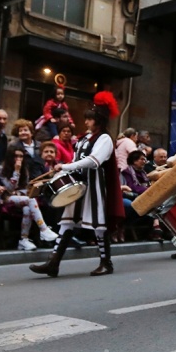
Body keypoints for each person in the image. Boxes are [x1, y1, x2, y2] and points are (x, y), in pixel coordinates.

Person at [30, 92, 123, 277]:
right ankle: (53, 262)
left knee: (99, 224)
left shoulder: (104, 139)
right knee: (67, 223)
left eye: (90, 119)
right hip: (79, 185)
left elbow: (94, 161)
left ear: (99, 120)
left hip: (95, 187)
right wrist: (61, 171)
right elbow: (77, 159)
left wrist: (65, 165)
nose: (86, 122)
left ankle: (106, 263)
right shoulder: (84, 138)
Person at [0, 147, 58, 251]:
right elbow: (9, 188)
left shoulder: (24, 169)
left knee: (27, 208)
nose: (18, 159)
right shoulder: (1, 169)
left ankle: (23, 239)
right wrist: (16, 171)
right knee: (30, 200)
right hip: (5, 198)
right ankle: (43, 229)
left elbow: (24, 187)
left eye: (21, 156)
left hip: (20, 197)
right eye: (16, 156)